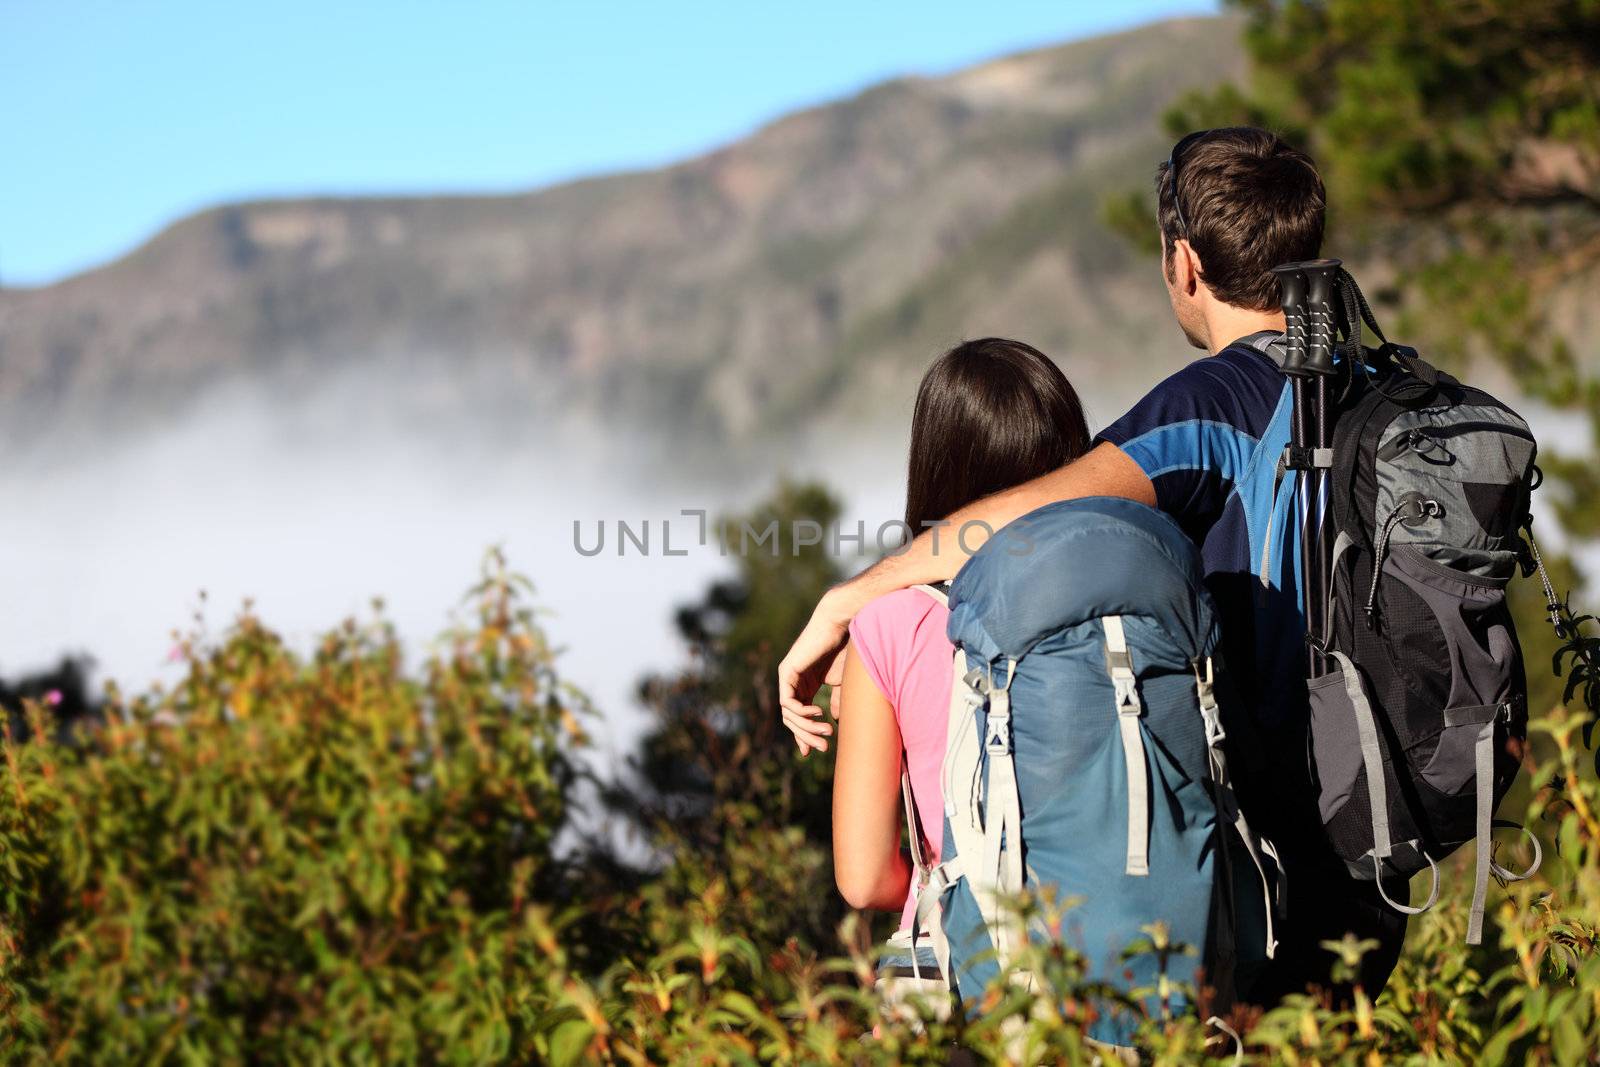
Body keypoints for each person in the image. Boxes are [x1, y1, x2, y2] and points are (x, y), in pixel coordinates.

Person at [783, 127, 1409, 1004]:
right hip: (1386, 838)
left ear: (1184, 261)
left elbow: (1027, 520)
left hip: (1256, 853)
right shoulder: (1380, 383)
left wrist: (856, 595)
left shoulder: (1210, 402)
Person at [831, 337, 1091, 937]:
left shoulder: (890, 626)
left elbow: (863, 878)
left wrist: (942, 881)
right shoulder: (1128, 595)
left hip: (980, 967)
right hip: (1132, 944)